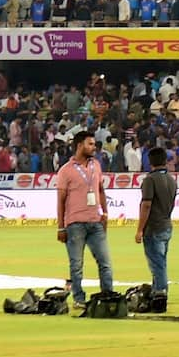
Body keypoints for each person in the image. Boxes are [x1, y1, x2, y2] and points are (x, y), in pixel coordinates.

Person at [54, 129, 114, 307]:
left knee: (105, 263)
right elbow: (61, 200)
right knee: (76, 266)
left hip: (96, 221)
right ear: (79, 145)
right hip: (75, 224)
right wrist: (61, 227)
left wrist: (105, 213)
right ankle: (79, 300)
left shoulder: (96, 164)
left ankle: (107, 296)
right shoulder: (66, 170)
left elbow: (101, 190)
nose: (94, 147)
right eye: (90, 144)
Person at [134, 143, 176, 312]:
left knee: (157, 264)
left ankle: (160, 295)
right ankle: (157, 291)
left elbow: (146, 205)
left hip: (154, 228)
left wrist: (139, 229)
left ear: (149, 162)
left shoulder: (150, 180)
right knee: (161, 262)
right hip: (166, 225)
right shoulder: (171, 180)